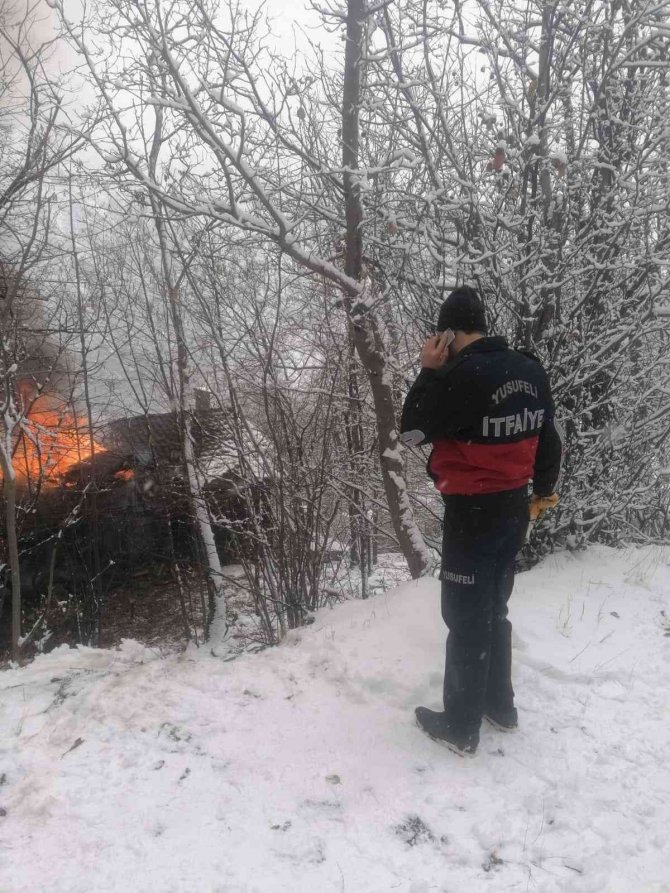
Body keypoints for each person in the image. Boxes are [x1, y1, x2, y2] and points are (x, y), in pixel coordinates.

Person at [400, 285, 562, 757]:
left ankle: (460, 725)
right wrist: (544, 491)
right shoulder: (530, 370)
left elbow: (410, 430)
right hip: (515, 508)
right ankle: (500, 706)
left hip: (472, 512)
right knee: (494, 607)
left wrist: (427, 372)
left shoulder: (457, 378)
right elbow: (549, 440)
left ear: (447, 334)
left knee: (465, 616)